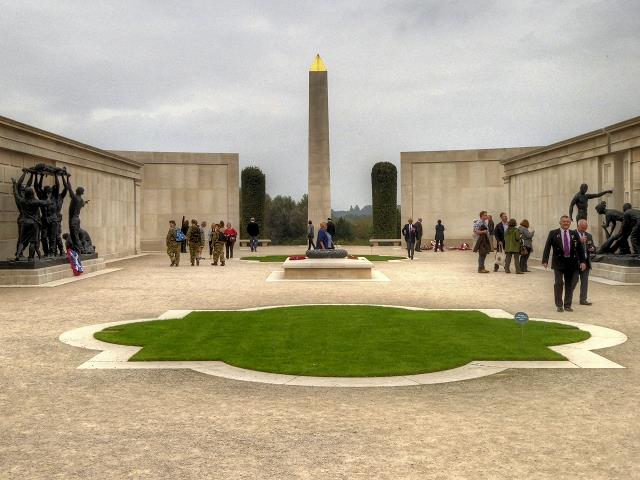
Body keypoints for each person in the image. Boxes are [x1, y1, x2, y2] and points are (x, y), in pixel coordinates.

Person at [541, 215, 587, 312]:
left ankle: (567, 305)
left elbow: (580, 249)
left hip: (571, 263)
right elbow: (547, 247)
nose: (566, 223)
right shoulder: (553, 233)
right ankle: (559, 305)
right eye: (564, 221)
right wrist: (545, 260)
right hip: (558, 262)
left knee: (569, 284)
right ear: (560, 222)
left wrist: (583, 261)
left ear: (570, 223)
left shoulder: (574, 234)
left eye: (568, 222)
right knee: (558, 283)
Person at [573, 219, 596, 305]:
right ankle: (568, 297)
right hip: (575, 263)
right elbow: (571, 248)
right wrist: (579, 240)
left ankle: (583, 300)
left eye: (585, 228)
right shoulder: (572, 234)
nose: (584, 230)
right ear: (578, 226)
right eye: (582, 228)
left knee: (585, 282)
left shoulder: (589, 235)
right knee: (574, 281)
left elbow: (592, 245)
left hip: (586, 262)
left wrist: (593, 248)